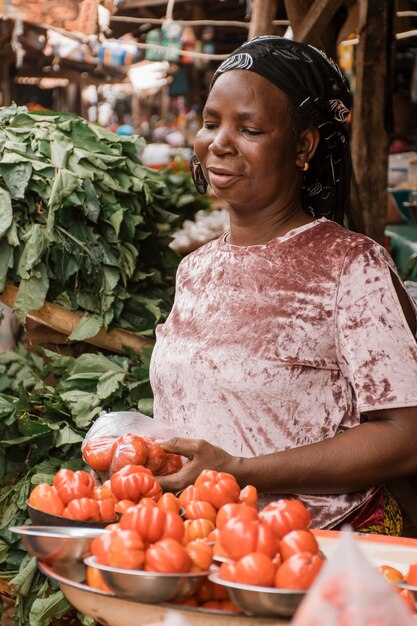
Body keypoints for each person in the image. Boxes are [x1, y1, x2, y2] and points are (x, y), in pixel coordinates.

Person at [150, 36, 417, 536]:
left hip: (317, 552)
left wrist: (240, 472)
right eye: (210, 123)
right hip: (199, 541)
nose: (219, 143)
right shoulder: (195, 269)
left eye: (249, 128)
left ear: (303, 147)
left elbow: (406, 437)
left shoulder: (352, 268)